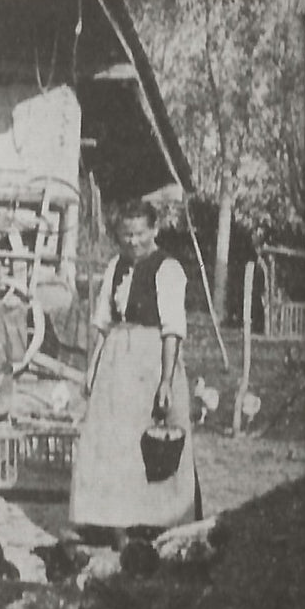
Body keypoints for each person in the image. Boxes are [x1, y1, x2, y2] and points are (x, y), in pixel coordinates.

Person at [70, 199, 199, 532]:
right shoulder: (116, 266)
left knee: (150, 446)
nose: (133, 241)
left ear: (153, 230)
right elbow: (101, 323)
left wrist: (166, 381)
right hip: (116, 364)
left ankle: (160, 520)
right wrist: (92, 367)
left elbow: (173, 329)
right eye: (126, 235)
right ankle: (115, 522)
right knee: (114, 443)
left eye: (140, 234)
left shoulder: (168, 269)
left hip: (150, 362)